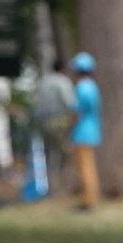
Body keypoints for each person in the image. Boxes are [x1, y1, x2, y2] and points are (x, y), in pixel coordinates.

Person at [34, 59, 75, 194]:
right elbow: (70, 103)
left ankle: (50, 186)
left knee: (48, 154)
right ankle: (62, 186)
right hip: (60, 122)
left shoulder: (43, 82)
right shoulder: (63, 82)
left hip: (43, 123)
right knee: (64, 154)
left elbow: (36, 104)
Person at [69, 51, 102, 209]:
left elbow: (76, 111)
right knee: (90, 166)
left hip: (82, 132)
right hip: (93, 130)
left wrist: (69, 124)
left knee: (84, 168)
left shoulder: (81, 87)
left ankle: (88, 200)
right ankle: (91, 197)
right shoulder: (93, 87)